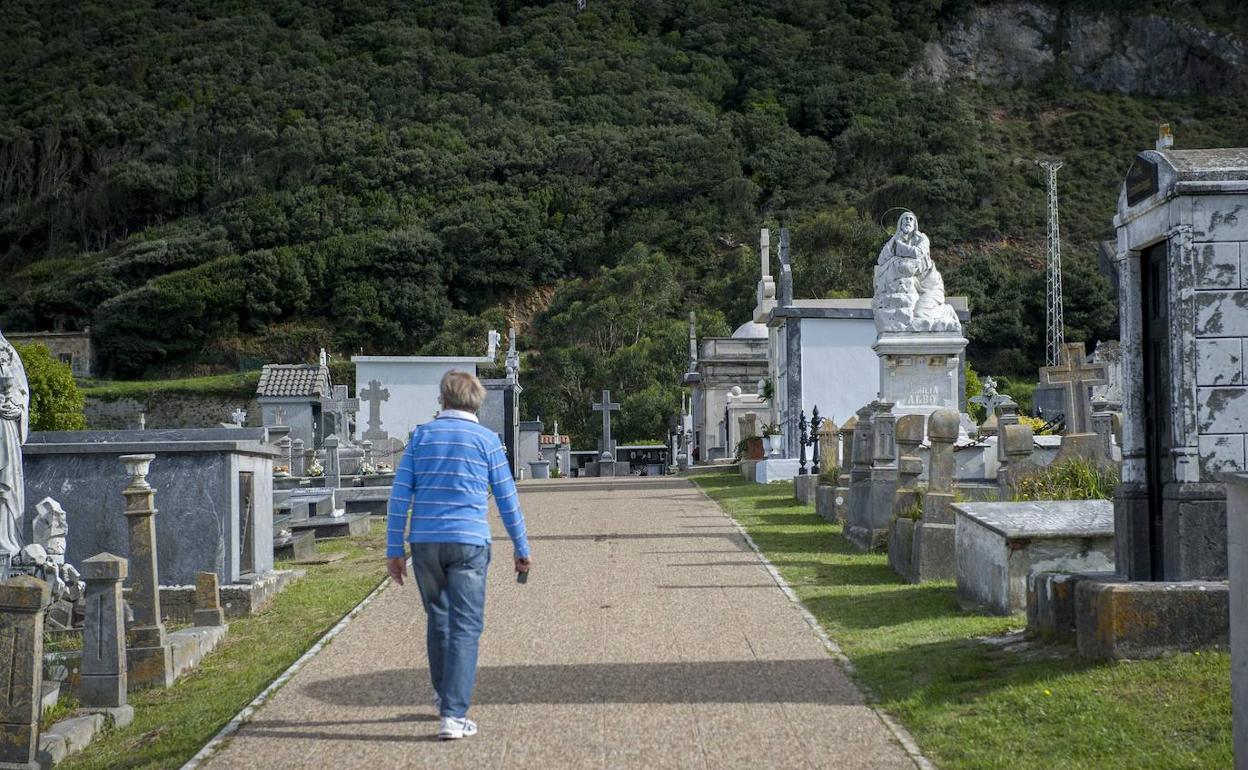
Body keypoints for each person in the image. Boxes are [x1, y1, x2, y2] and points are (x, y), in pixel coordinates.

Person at [385, 370, 531, 741]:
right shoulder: (486, 441)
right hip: (468, 541)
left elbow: (400, 497)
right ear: (476, 402)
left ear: (443, 400)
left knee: (438, 618)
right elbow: (506, 498)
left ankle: (442, 694)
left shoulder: (420, 438)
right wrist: (521, 547)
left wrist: (394, 549)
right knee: (466, 625)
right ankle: (453, 713)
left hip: (426, 542)